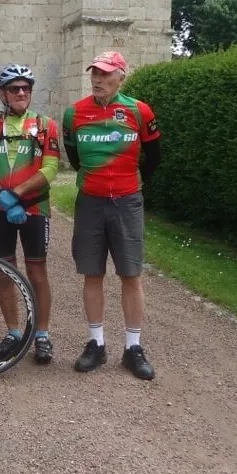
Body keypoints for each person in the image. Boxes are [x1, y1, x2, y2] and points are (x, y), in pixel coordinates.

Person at [62, 51, 161, 380]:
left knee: (131, 274)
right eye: (94, 73)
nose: (98, 79)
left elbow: (154, 155)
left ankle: (133, 348)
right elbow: (75, 156)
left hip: (127, 200)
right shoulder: (74, 113)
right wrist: (96, 179)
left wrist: (129, 181)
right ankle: (96, 344)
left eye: (105, 74)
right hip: (90, 201)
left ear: (121, 76)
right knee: (92, 274)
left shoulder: (138, 110)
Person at [0, 64, 60, 364]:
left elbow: (50, 168)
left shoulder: (46, 125)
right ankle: (13, 332)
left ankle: (42, 335)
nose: (21, 93)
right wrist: (2, 196)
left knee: (37, 272)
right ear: (3, 94)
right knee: (5, 271)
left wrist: (18, 194)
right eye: (14, 88)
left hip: (35, 206)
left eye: (26, 88)